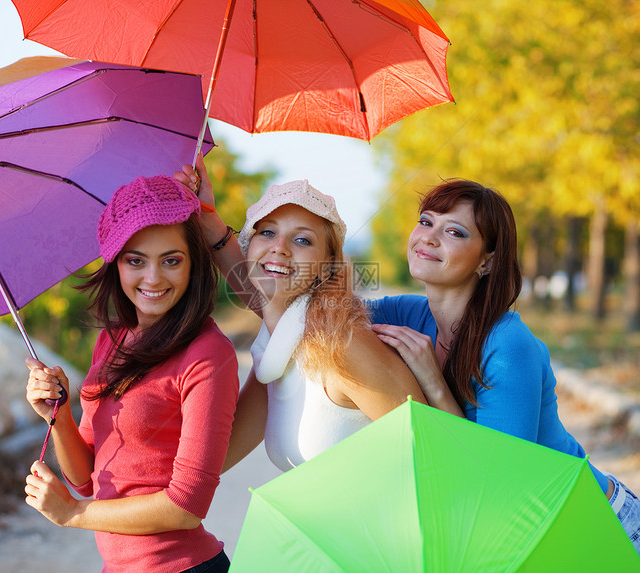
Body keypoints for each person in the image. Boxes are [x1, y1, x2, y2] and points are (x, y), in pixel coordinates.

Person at [367, 178, 640, 573]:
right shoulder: (410, 314)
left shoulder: (507, 344)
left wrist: (434, 383)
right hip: (534, 537)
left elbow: (499, 484)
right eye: (426, 221)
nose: (430, 237)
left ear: (487, 261)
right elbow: (326, 311)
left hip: (604, 538)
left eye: (454, 231)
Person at [174, 158, 461, 473]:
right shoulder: (277, 351)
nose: (279, 248)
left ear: (327, 266)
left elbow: (444, 456)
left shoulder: (342, 346)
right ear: (250, 245)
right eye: (267, 232)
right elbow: (212, 461)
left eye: (302, 240)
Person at [23, 175, 239, 573]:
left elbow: (186, 506)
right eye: (135, 260)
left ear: (193, 264)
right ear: (116, 263)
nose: (153, 279)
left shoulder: (208, 354)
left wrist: (73, 514)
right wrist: (58, 416)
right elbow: (88, 479)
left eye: (171, 260)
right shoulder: (113, 342)